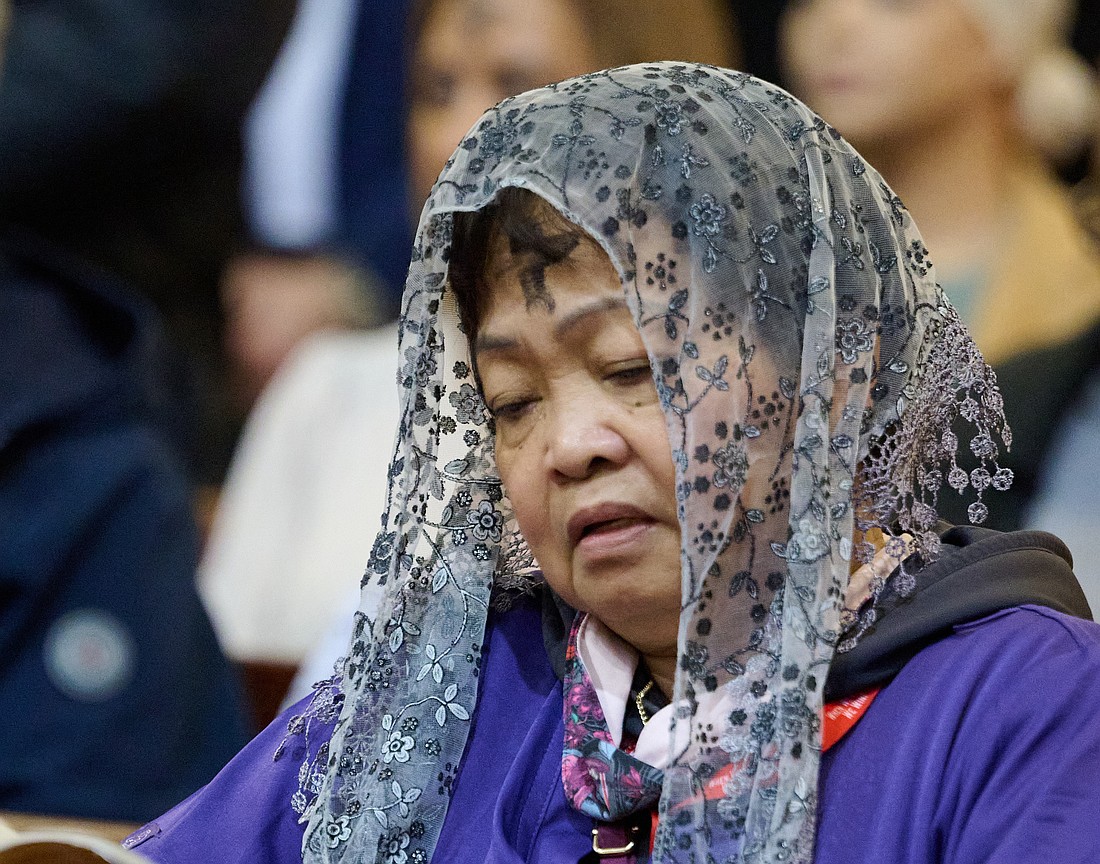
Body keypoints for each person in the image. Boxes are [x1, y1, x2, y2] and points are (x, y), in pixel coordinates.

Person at [126, 63, 1100, 864]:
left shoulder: (1024, 703)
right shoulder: (442, 697)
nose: (568, 445)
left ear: (834, 376)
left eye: (632, 368)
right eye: (511, 404)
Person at [199, 0, 738, 711]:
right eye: (438, 90)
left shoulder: (724, 358)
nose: (464, 135)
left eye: (514, 85)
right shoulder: (324, 384)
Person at [779, 0, 1100, 367]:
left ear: (1000, 43)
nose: (833, 25)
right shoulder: (753, 260)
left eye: (893, 5)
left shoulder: (1082, 279)